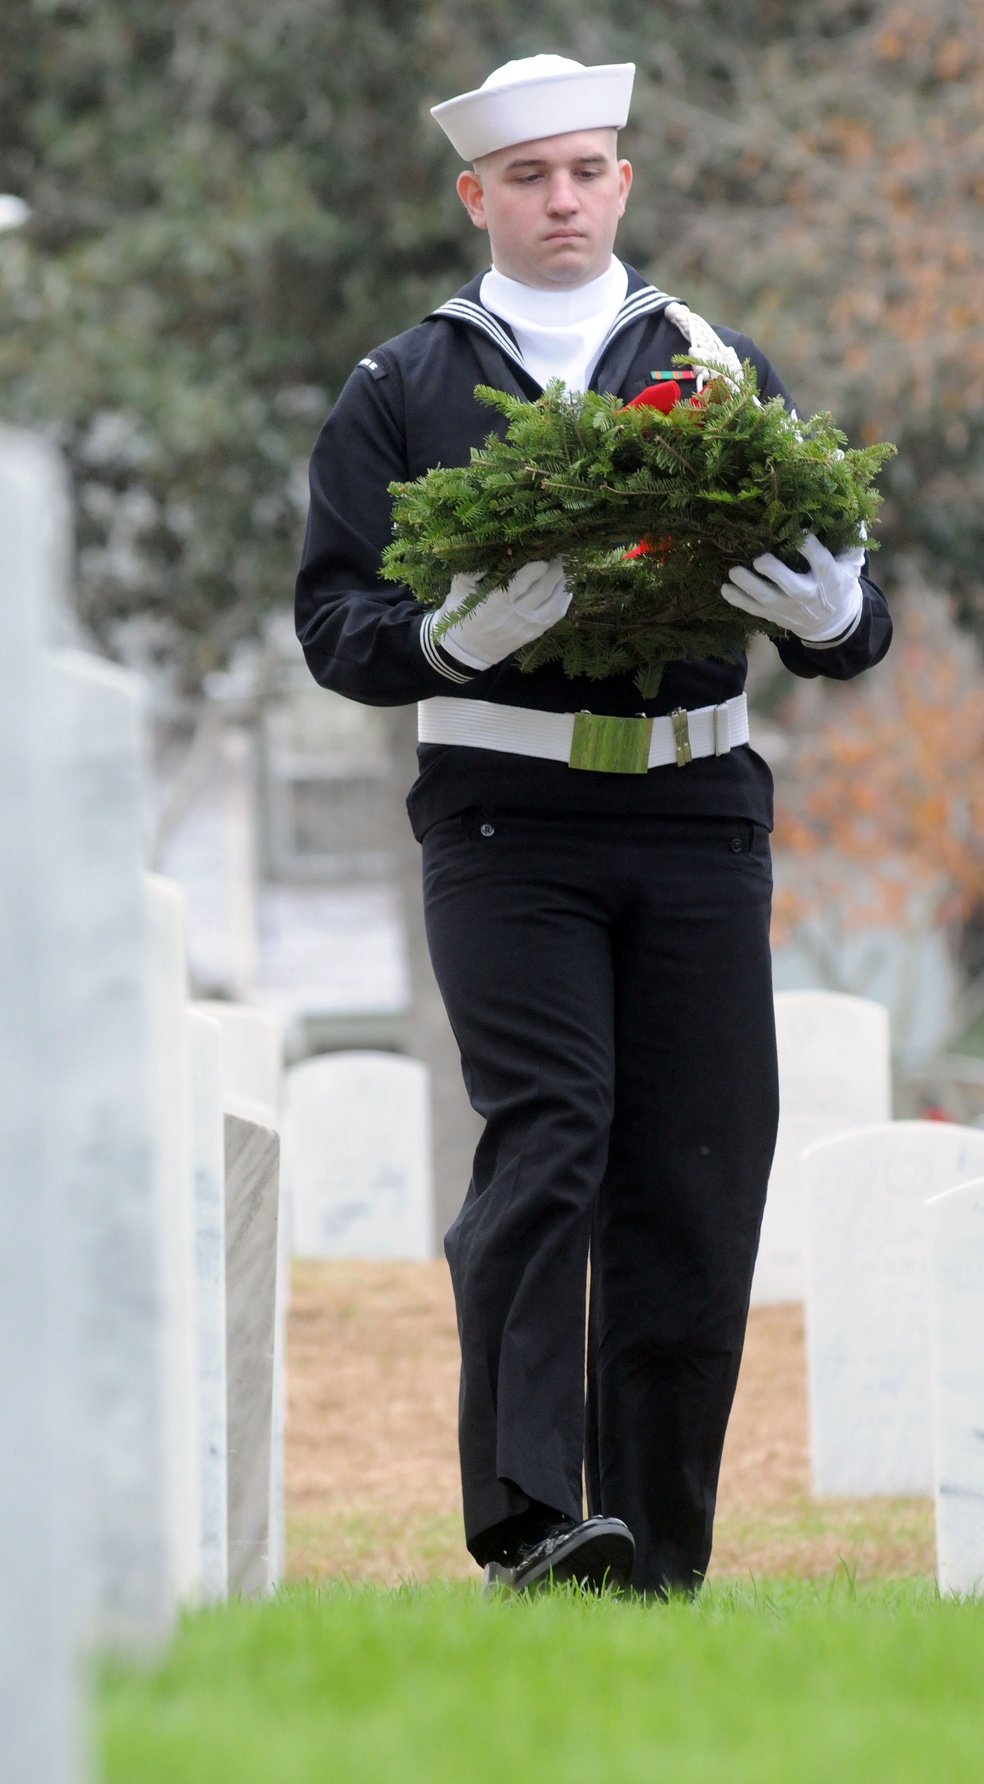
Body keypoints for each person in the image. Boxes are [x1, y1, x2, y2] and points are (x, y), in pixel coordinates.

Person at [295, 54, 892, 1596]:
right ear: (475, 195)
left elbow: (845, 598)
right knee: (553, 1132)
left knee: (699, 1165)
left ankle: (656, 1558)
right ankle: (530, 1519)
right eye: (530, 176)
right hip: (507, 825)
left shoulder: (714, 363)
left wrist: (837, 617)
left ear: (621, 182)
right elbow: (335, 623)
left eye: (587, 171)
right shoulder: (402, 385)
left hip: (699, 813)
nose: (562, 199)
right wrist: (445, 641)